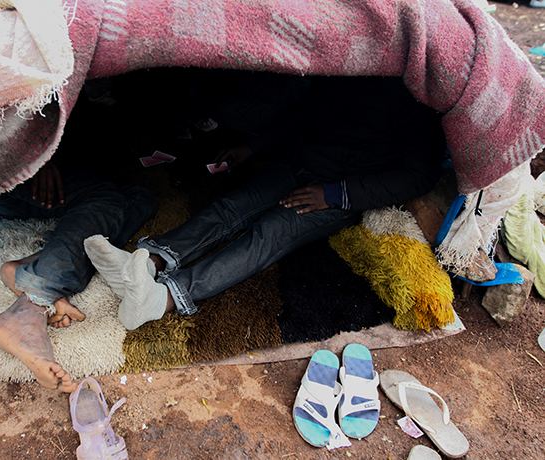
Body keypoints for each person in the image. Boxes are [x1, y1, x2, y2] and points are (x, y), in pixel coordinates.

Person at [84, 76, 447, 330]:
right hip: (298, 163)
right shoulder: (345, 72)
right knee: (231, 206)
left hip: (342, 189)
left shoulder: (415, 99)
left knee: (268, 234)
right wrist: (254, 145)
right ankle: (149, 262)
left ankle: (159, 300)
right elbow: (304, 114)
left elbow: (419, 175)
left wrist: (335, 194)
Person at [0, 155, 157, 392]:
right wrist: (37, 159)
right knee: (108, 201)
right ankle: (30, 307)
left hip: (0, 181)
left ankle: (36, 268)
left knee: (140, 199)